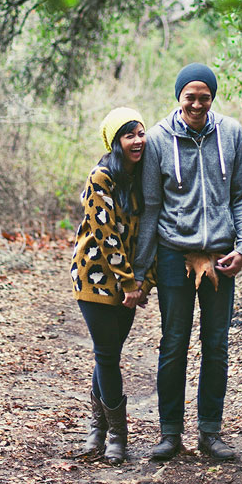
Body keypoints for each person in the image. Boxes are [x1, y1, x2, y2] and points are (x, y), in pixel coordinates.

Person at [132, 63, 242, 462]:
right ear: (179, 97)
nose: (198, 104)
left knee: (216, 344)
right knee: (173, 343)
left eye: (205, 97)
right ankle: (170, 433)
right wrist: (140, 269)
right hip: (173, 253)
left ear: (212, 97)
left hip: (221, 255)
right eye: (191, 96)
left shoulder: (232, 133)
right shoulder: (156, 139)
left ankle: (210, 432)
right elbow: (152, 205)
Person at [71, 106, 154, 465]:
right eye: (128, 135)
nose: (137, 141)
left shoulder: (144, 176)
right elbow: (106, 238)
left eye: (140, 133)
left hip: (128, 282)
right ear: (115, 141)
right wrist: (129, 283)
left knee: (108, 354)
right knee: (107, 354)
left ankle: (97, 430)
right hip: (95, 277)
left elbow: (148, 232)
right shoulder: (101, 177)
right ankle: (117, 436)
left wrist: (143, 281)